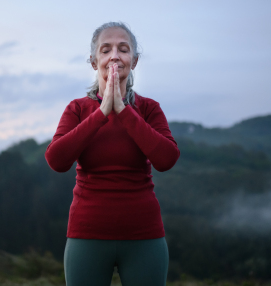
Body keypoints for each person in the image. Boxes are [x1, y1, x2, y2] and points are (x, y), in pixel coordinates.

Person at [45, 22, 180, 286]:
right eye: (105, 50)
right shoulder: (77, 109)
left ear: (135, 60)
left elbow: (167, 159)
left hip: (145, 235)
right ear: (95, 62)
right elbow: (56, 160)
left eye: (123, 49)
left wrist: (124, 110)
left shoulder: (148, 109)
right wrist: (102, 112)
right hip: (87, 234)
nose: (115, 56)